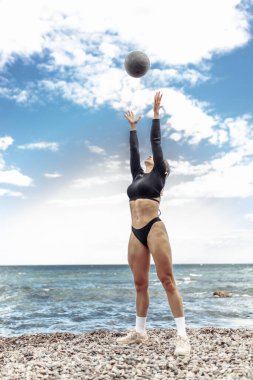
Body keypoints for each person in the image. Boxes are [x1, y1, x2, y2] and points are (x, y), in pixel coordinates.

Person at [116, 92, 191, 356]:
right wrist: (133, 128)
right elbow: (134, 153)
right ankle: (140, 332)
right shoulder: (138, 175)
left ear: (162, 168)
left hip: (154, 228)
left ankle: (182, 336)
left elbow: (156, 142)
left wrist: (156, 114)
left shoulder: (158, 174)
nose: (149, 157)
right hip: (135, 232)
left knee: (167, 280)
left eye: (154, 158)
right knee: (139, 284)